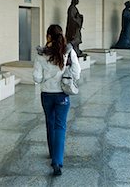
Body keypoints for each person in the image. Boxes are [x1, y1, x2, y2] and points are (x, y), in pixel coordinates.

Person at [33, 24, 81, 176]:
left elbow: (37, 77)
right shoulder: (67, 51)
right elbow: (77, 72)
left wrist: (45, 77)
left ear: (48, 36)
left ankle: (52, 152)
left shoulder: (41, 54)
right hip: (62, 94)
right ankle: (57, 161)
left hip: (46, 94)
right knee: (60, 126)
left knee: (50, 122)